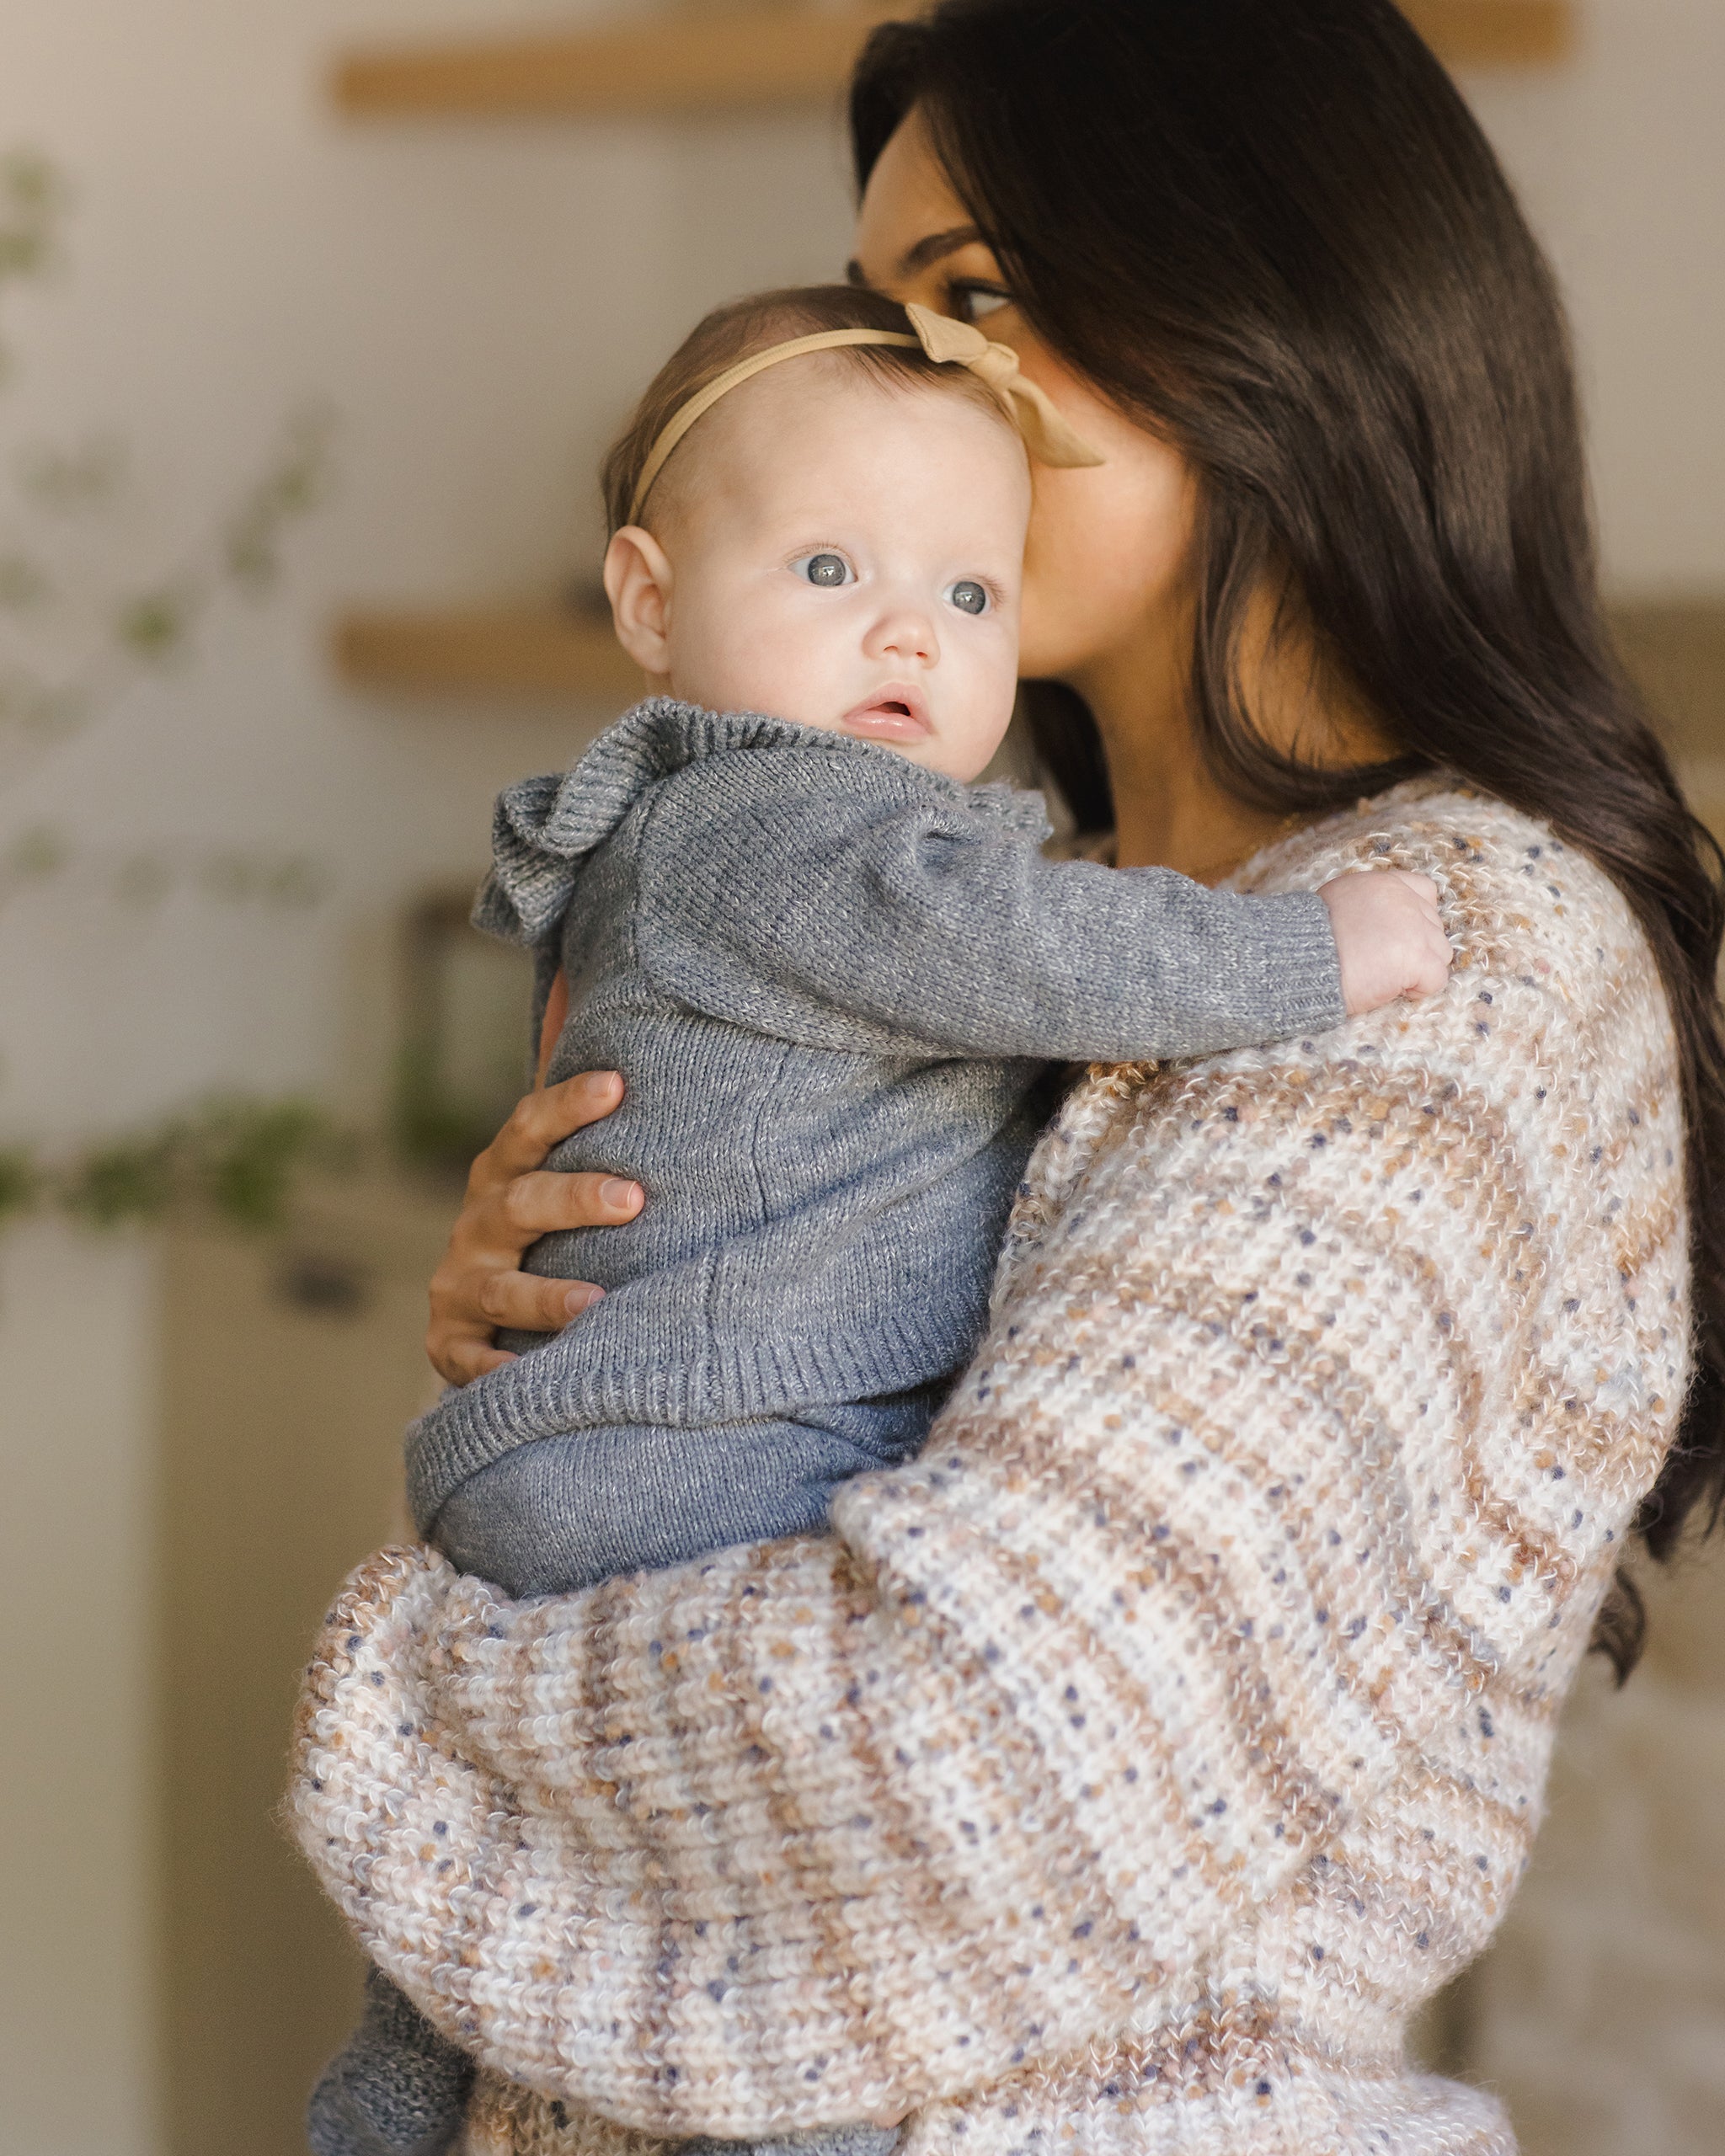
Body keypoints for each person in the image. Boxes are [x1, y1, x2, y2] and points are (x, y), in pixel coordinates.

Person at [289, 4, 1725, 2153]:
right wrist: (592, 1331)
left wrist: (414, 1675)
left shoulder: (1445, 959)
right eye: (878, 311)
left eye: (969, 296)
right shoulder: (1011, 908)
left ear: (1268, 308)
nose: (908, 384)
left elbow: (969, 1747)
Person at [307, 277, 1448, 2156]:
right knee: (811, 1942)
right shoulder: (786, 826)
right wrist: (1315, 951)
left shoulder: (694, 828)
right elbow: (1032, 949)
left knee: (495, 1898)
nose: (911, 628)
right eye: (830, 570)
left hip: (595, 1436)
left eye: (970, 592)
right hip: (715, 1446)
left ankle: (385, 2103)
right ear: (649, 601)